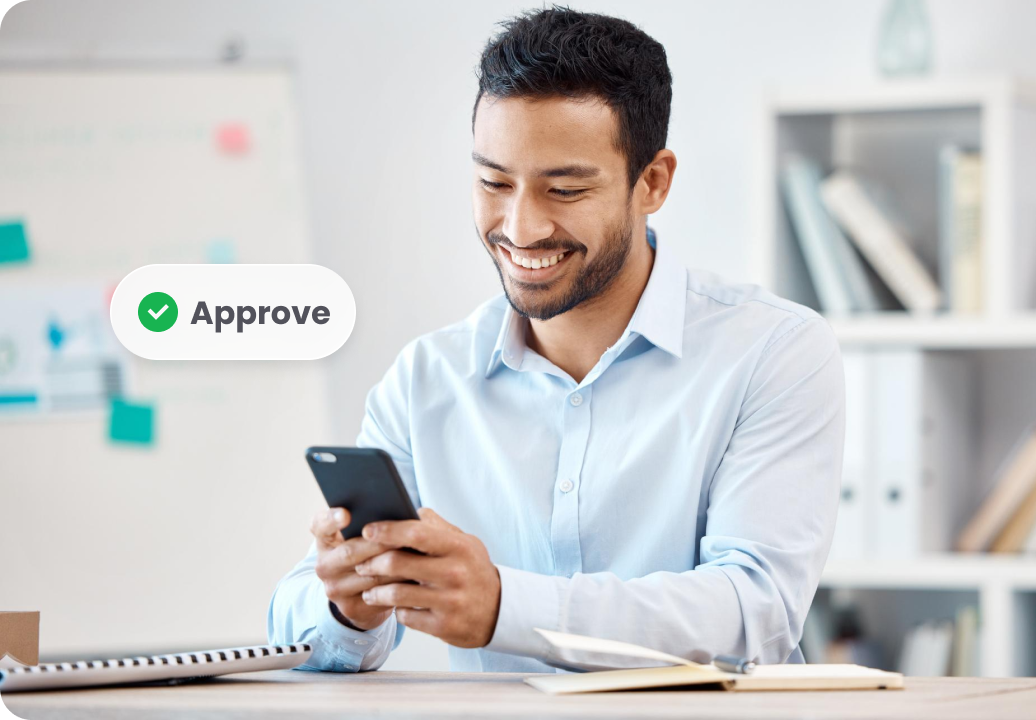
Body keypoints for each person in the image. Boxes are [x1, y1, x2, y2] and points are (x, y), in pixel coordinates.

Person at [268, 6, 843, 674]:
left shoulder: (774, 353)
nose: (521, 226)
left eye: (564, 189)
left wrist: (507, 606)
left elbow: (755, 611)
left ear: (651, 182)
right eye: (493, 182)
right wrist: (349, 606)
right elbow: (300, 623)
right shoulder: (427, 378)